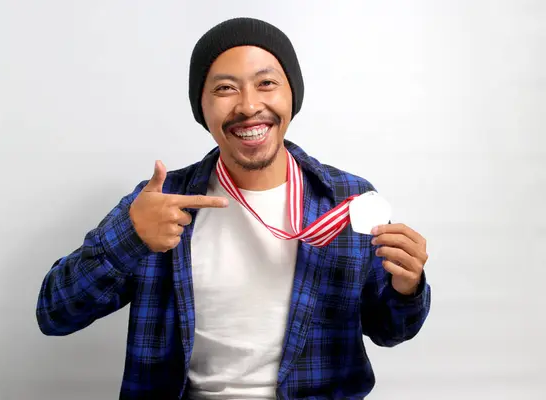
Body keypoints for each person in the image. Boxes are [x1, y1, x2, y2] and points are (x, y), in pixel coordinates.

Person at [36, 17, 431, 400]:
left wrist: (407, 286)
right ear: (202, 108)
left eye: (267, 84)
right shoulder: (160, 203)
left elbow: (390, 331)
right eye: (225, 88)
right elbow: (54, 314)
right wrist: (129, 240)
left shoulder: (350, 201)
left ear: (292, 95)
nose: (248, 105)